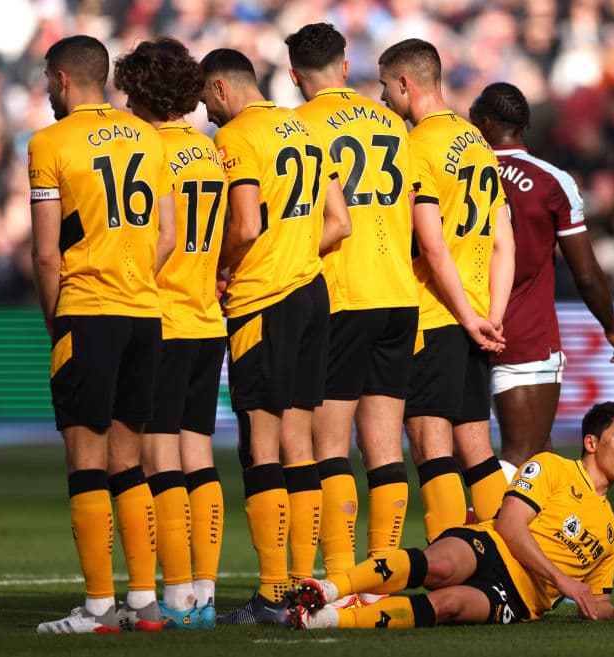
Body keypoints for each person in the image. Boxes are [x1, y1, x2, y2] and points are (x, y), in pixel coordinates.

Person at [29, 34, 176, 634]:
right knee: (128, 463)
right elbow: (165, 234)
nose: (45, 91)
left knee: (86, 463)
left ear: (63, 79)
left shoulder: (49, 142)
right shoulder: (147, 134)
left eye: (46, 80)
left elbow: (44, 256)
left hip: (87, 311)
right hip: (144, 313)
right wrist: (135, 278)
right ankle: (143, 605)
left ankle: (97, 609)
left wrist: (57, 323)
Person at [199, 47, 352, 625]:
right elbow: (340, 223)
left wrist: (222, 266)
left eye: (204, 102)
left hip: (263, 298)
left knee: (261, 445)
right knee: (300, 445)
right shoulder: (306, 130)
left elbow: (244, 224)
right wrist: (293, 257)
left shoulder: (237, 138)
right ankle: (303, 588)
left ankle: (270, 593)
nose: (206, 114)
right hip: (312, 295)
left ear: (219, 89)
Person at [286, 400, 614, 629]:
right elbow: (509, 524)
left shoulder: (613, 533)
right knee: (440, 566)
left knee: (447, 605)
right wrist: (564, 581)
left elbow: (597, 602)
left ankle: (328, 619)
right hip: (490, 545)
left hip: (520, 600)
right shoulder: (552, 468)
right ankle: (329, 588)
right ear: (592, 442)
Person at [284, 22, 418, 589]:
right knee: (385, 445)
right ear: (344, 67)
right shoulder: (391, 121)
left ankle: (338, 579)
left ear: (294, 77)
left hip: (342, 294)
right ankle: (380, 573)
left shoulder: (299, 126)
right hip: (398, 293)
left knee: (328, 445)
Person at [376, 38, 515, 543]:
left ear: (406, 83)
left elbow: (432, 248)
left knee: (429, 442)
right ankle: (509, 559)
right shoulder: (476, 140)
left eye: (387, 86)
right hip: (477, 314)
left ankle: (452, 562)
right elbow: (505, 241)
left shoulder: (417, 146)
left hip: (437, 315)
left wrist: (463, 316)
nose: (385, 97)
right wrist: (489, 316)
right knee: (476, 445)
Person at [113, 37, 227, 630]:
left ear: (141, 91)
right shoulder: (208, 151)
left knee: (157, 458)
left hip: (161, 315)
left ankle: (178, 595)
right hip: (207, 317)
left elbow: (155, 236)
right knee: (198, 454)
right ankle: (202, 595)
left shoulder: (146, 148)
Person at [468, 82, 614, 482]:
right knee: (524, 455)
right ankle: (469, 537)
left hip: (458, 323)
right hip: (523, 333)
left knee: (538, 455)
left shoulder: (459, 173)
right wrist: (610, 325)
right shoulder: (550, 180)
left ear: (485, 123)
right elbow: (587, 272)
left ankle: (532, 541)